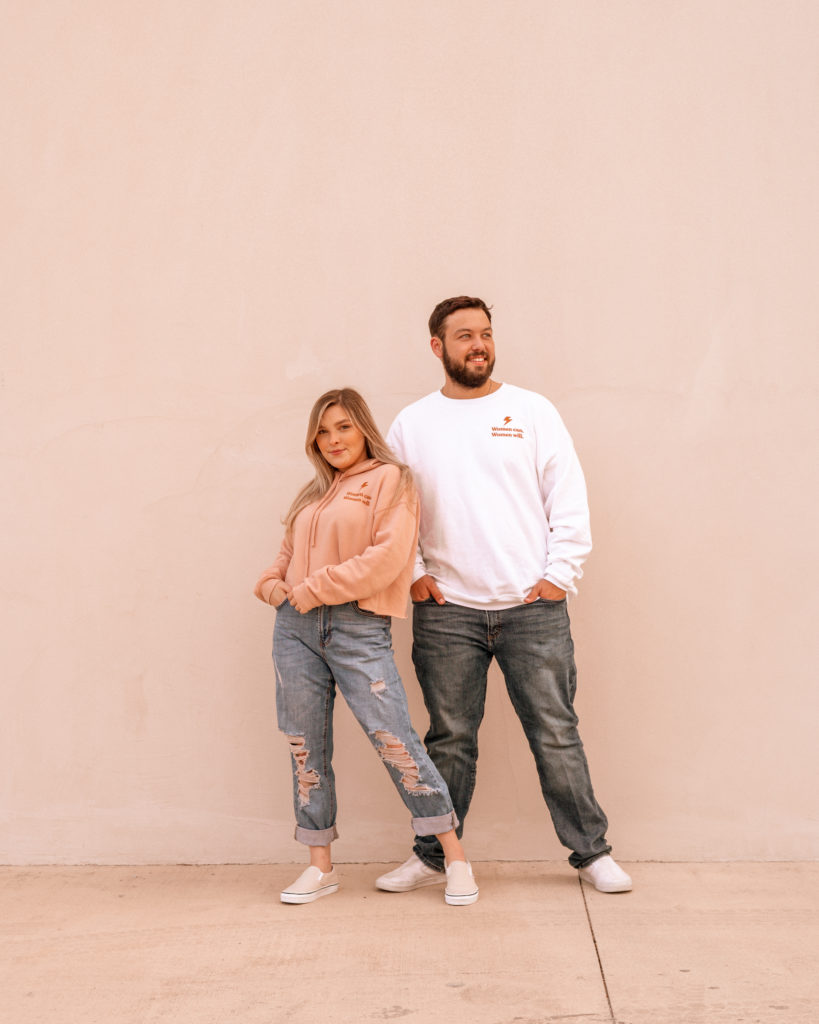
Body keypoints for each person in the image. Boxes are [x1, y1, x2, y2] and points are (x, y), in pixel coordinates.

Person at [377, 297, 632, 895]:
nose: (479, 345)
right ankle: (433, 856)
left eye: (486, 334)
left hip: (532, 608)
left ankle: (591, 853)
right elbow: (394, 509)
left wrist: (559, 575)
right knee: (449, 740)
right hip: (448, 612)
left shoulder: (532, 410)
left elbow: (567, 497)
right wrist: (414, 573)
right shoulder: (412, 423)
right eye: (464, 335)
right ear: (437, 347)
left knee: (555, 733)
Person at [255, 387, 478, 906]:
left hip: (357, 627)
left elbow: (388, 557)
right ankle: (320, 866)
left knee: (395, 741)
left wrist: (313, 588)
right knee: (305, 746)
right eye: (323, 432)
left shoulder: (392, 480)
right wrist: (271, 587)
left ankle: (454, 859)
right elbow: (285, 555)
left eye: (344, 427)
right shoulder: (314, 492)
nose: (333, 440)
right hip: (295, 630)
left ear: (363, 429)